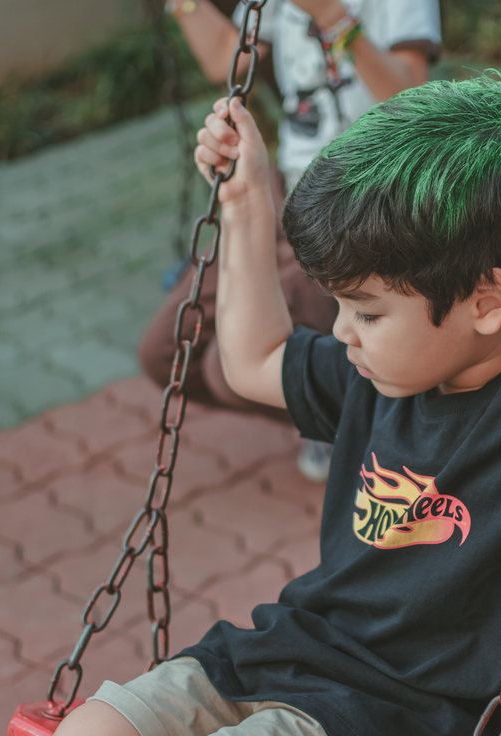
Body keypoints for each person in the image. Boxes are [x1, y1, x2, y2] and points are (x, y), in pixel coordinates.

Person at [40, 75, 501, 736]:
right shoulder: (379, 373)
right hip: (292, 653)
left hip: (416, 725)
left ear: (486, 301)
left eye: (368, 311)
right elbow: (253, 359)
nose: (343, 331)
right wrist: (246, 200)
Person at [138, 0, 440, 481]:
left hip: (366, 204)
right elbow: (228, 60)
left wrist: (330, 15)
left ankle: (371, 429)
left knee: (231, 366)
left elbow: (414, 99)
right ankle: (335, 416)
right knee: (167, 348)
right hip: (289, 193)